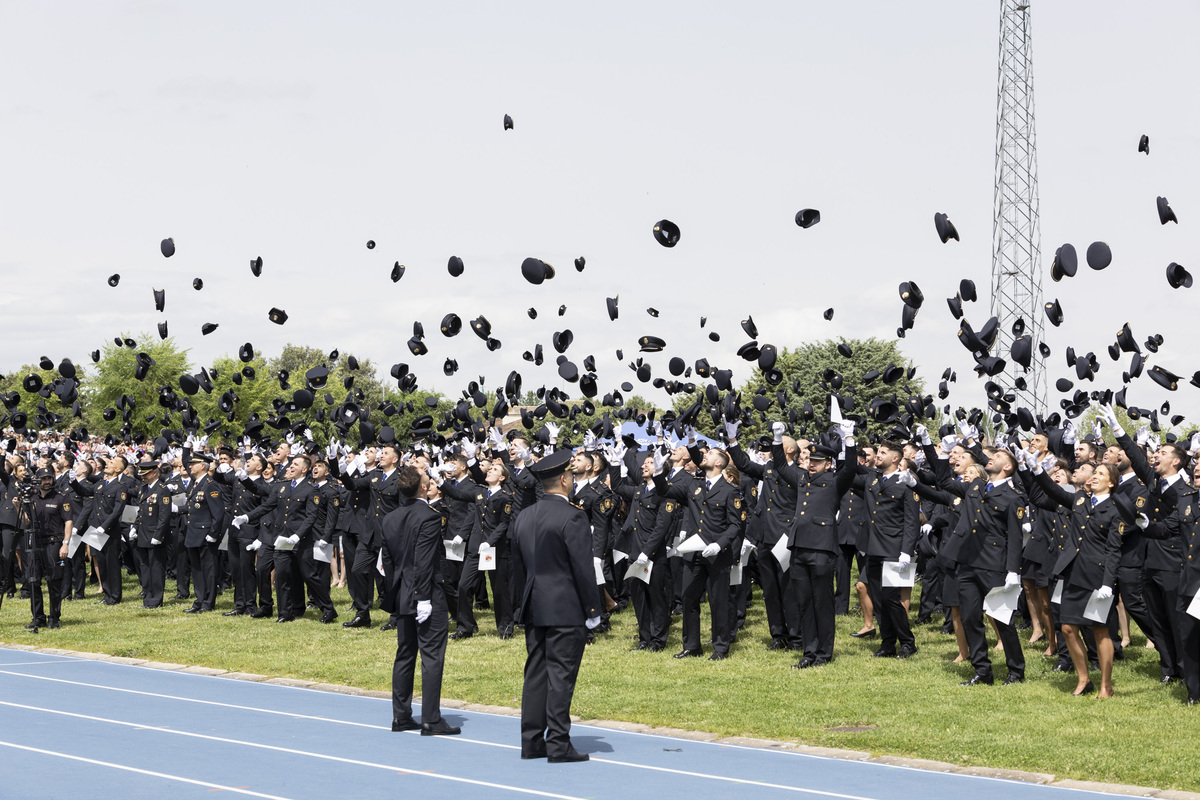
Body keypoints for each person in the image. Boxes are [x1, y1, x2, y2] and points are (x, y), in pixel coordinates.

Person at [510, 449, 601, 763]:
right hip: (565, 606)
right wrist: (593, 611)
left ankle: (532, 741)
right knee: (561, 676)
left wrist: (521, 603)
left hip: (534, 604)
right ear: (564, 479)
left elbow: (517, 569)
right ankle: (559, 743)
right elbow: (583, 570)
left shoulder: (524, 516)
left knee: (535, 676)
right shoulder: (573, 515)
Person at [1027, 452, 1122, 697]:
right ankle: (1083, 679)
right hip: (1072, 572)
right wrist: (1036, 469)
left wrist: (1108, 583)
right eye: (1095, 472)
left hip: (1097, 576)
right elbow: (1053, 491)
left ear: (1111, 483)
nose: (1095, 476)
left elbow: (1113, 550)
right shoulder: (1080, 499)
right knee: (1068, 628)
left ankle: (1106, 684)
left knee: (1100, 630)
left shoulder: (1115, 509)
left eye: (1101, 473)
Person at [652, 432, 743, 661]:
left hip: (717, 555)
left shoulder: (731, 491)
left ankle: (720, 647)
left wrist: (719, 544)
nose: (705, 455)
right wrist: (658, 472)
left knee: (718, 601)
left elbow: (735, 525)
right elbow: (665, 491)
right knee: (689, 598)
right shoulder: (694, 484)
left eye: (710, 453)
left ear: (719, 463)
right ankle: (692, 645)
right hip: (694, 552)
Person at [381, 465, 458, 735]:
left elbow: (389, 564)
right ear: (423, 488)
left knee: (404, 655)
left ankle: (401, 716)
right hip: (426, 595)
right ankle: (431, 719)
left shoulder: (390, 518)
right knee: (431, 657)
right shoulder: (428, 516)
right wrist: (423, 597)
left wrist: (401, 590)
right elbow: (424, 562)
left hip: (403, 593)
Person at [25, 468, 72, 631]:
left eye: (49, 478)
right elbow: (26, 521)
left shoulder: (61, 498)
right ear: (37, 481)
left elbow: (68, 522)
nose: (47, 481)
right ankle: (38, 617)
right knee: (33, 581)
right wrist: (19, 507)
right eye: (43, 479)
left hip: (54, 543)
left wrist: (65, 543)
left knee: (54, 581)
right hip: (36, 544)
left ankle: (54, 617)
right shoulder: (31, 499)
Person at [128, 461, 172, 608]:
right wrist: (134, 527)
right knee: (145, 567)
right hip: (143, 534)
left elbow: (164, 516)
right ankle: (147, 597)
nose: (143, 477)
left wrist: (158, 535)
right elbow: (140, 511)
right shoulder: (143, 488)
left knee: (156, 568)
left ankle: (156, 599)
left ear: (154, 473)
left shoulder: (162, 489)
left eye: (145, 474)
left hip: (155, 535)